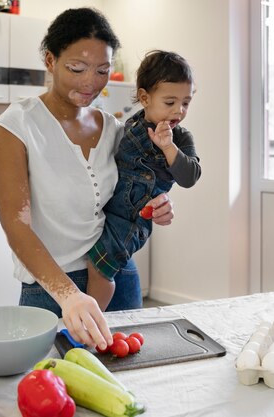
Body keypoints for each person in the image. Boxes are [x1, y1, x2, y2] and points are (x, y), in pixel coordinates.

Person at [0, 8, 174, 350]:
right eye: (77, 68)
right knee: (50, 387)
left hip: (116, 274)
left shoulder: (114, 130)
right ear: (50, 60)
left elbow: (132, 193)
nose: (91, 81)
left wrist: (157, 204)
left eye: (102, 70)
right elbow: (16, 225)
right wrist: (69, 296)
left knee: (126, 386)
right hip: (50, 290)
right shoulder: (16, 126)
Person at [86, 51, 201, 311]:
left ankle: (92, 319)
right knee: (95, 260)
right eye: (170, 102)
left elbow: (189, 177)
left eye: (186, 102)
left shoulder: (181, 139)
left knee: (100, 267)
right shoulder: (130, 127)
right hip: (109, 208)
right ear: (145, 98)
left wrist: (169, 148)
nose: (179, 111)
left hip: (133, 218)